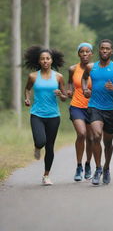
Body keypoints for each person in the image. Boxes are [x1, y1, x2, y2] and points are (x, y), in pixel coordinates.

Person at [81, 39, 113, 185]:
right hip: (94, 107)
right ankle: (98, 168)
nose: (104, 51)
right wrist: (85, 89)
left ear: (111, 51)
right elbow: (84, 79)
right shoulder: (91, 67)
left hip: (111, 110)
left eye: (107, 49)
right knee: (96, 136)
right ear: (99, 50)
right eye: (102, 48)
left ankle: (107, 167)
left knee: (108, 143)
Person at [24, 45, 67, 185]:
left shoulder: (59, 77)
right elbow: (27, 89)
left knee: (50, 146)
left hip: (53, 115)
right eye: (42, 59)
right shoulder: (33, 76)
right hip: (37, 114)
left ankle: (46, 175)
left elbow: (64, 97)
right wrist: (27, 98)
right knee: (41, 141)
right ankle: (37, 147)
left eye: (48, 58)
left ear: (52, 60)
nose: (45, 61)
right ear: (39, 61)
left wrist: (61, 94)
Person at [67, 42, 93, 182]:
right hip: (76, 106)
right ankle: (79, 166)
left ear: (91, 54)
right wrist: (69, 90)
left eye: (87, 51)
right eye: (82, 51)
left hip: (92, 107)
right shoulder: (73, 69)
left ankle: (88, 164)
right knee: (81, 134)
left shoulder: (95, 69)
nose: (84, 54)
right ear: (78, 54)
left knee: (90, 138)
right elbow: (69, 83)